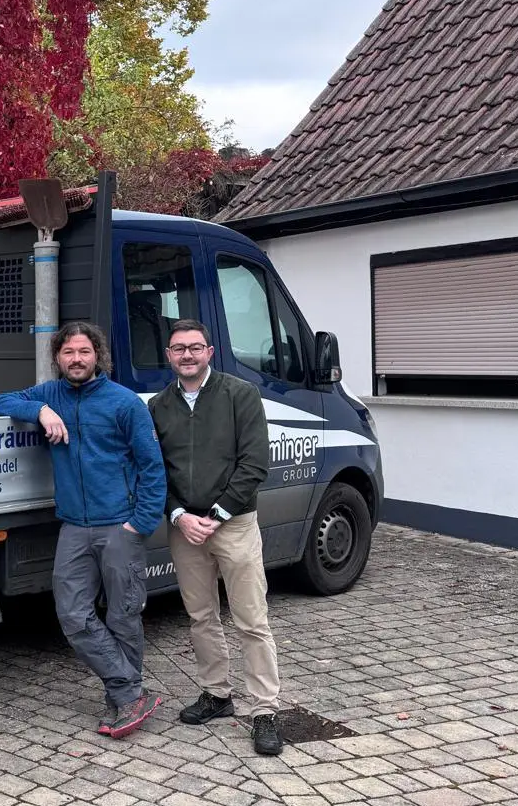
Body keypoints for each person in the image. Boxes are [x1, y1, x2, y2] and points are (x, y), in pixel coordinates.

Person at [0, 321, 167, 739]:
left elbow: (152, 468)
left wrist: (138, 523)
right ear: (58, 358)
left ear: (97, 355)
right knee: (72, 614)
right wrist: (40, 411)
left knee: (123, 616)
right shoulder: (49, 394)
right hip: (73, 527)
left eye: (84, 351)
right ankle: (130, 690)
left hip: (119, 526)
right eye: (68, 353)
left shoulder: (124, 403)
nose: (76, 359)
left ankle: (122, 697)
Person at [146, 318, 283, 756]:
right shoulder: (158, 406)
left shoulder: (240, 394)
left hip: (234, 524)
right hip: (185, 527)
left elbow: (254, 462)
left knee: (251, 620)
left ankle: (264, 711)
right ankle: (217, 694)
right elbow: (155, 470)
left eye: (194, 347)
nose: (186, 355)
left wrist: (217, 514)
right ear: (168, 356)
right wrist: (180, 514)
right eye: (178, 348)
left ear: (209, 352)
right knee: (201, 616)